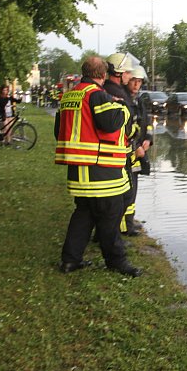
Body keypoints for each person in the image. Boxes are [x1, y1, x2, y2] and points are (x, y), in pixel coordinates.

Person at [54, 56, 142, 277]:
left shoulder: (69, 96)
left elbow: (59, 131)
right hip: (101, 172)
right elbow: (109, 123)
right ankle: (117, 262)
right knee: (110, 218)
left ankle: (70, 261)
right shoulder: (97, 95)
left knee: (84, 215)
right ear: (103, 75)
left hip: (78, 171)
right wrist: (121, 108)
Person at [103, 52, 142, 237]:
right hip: (119, 153)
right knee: (121, 196)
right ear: (118, 73)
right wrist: (137, 133)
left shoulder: (113, 91)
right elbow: (125, 128)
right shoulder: (115, 92)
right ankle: (116, 232)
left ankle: (118, 229)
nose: (129, 75)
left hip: (120, 152)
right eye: (127, 72)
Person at [123, 64, 153, 235]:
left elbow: (147, 123)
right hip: (129, 152)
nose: (136, 84)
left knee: (133, 187)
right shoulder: (124, 100)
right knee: (127, 188)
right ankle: (124, 225)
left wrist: (148, 140)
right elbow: (126, 130)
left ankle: (128, 222)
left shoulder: (139, 101)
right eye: (134, 80)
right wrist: (136, 148)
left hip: (138, 152)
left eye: (139, 81)